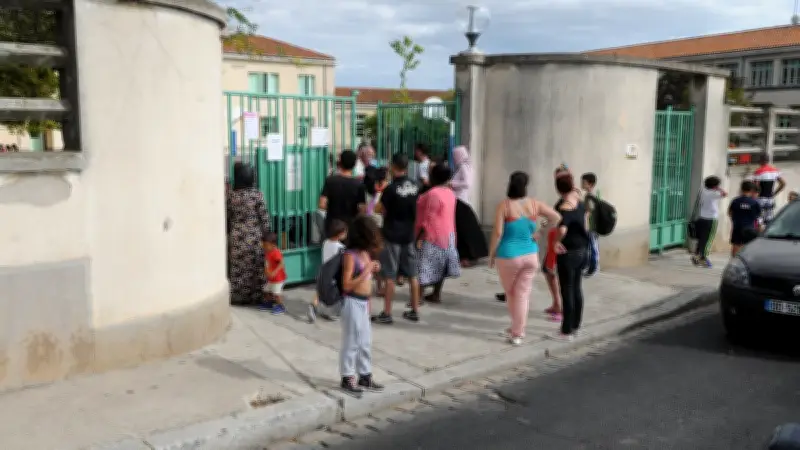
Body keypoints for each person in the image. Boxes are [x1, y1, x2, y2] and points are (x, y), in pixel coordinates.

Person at [489, 172, 561, 346]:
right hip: (530, 255)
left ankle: (517, 331)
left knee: (511, 294)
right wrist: (541, 231)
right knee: (522, 294)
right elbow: (556, 217)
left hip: (508, 255)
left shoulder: (504, 206)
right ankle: (517, 330)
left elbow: (498, 233)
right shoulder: (534, 204)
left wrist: (491, 254)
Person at [371, 154, 421, 324]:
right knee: (413, 274)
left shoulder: (390, 189)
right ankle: (414, 310)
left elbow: (378, 209)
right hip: (409, 234)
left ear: (393, 166)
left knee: (390, 275)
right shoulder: (416, 186)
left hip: (392, 234)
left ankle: (387, 312)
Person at [339, 215, 384, 397]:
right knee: (352, 341)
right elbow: (346, 285)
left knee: (365, 341)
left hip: (364, 302)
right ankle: (347, 376)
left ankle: (365, 375)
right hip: (352, 301)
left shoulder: (365, 254)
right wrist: (366, 270)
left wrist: (374, 268)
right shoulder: (350, 256)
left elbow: (367, 277)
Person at [414, 163, 460, 313]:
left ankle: (419, 297)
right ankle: (436, 294)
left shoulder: (433, 194)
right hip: (448, 234)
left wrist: (419, 235)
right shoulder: (450, 193)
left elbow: (428, 218)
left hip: (433, 235)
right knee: (442, 265)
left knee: (424, 265)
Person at [551, 174, 590, 341]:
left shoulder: (565, 207)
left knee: (567, 290)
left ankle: (566, 330)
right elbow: (586, 221)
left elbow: (562, 229)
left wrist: (556, 242)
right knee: (577, 288)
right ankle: (576, 325)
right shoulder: (579, 202)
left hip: (568, 253)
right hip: (582, 249)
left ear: (558, 189)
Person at [227, 163, 271, 305]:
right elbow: (264, 217)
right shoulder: (257, 195)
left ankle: (238, 297)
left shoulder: (232, 196)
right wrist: (268, 235)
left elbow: (227, 217)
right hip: (254, 238)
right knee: (255, 267)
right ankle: (256, 295)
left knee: (238, 268)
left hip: (237, 237)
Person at [451, 146, 488, 267]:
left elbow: (466, 183)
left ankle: (466, 256)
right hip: (463, 201)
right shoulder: (468, 166)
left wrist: (451, 184)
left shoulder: (463, 167)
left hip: (459, 201)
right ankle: (469, 255)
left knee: (462, 231)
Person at [308, 219, 348, 323]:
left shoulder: (325, 242)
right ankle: (335, 312)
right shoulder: (341, 248)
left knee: (319, 292)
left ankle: (313, 306)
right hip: (333, 276)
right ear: (340, 233)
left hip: (322, 272)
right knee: (340, 293)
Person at [319, 150, 366, 234]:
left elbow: (322, 204)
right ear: (355, 164)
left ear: (340, 163)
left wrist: (332, 209)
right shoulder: (359, 184)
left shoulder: (330, 180)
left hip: (332, 223)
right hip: (350, 225)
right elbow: (362, 208)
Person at [691, 175, 727, 268]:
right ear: (715, 186)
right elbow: (725, 194)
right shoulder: (714, 194)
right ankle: (703, 257)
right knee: (708, 239)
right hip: (711, 219)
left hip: (701, 217)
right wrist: (718, 188)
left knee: (701, 238)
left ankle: (697, 255)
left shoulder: (702, 191)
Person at [750, 153, 786, 225]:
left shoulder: (758, 171)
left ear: (761, 161)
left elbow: (756, 187)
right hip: (770, 199)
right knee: (769, 221)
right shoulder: (775, 170)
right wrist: (774, 193)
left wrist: (752, 198)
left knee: (759, 220)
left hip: (760, 199)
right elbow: (783, 184)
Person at [728, 180, 762, 257]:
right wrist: (760, 229)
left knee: (736, 245)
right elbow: (759, 218)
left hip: (737, 227)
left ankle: (734, 260)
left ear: (741, 189)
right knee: (748, 246)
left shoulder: (735, 201)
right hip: (749, 228)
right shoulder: (754, 203)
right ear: (752, 190)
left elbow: (729, 213)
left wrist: (735, 220)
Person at [580, 172, 601, 276]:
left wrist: (585, 223)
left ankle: (595, 267)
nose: (581, 184)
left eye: (583, 182)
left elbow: (589, 212)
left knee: (593, 246)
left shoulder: (590, 196)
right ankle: (589, 266)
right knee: (590, 246)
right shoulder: (592, 194)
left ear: (590, 184)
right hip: (592, 225)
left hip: (592, 226)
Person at [263, 232, 287, 315]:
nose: (264, 247)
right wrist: (266, 271)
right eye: (264, 245)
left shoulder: (276, 252)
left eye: (266, 245)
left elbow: (281, 263)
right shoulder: (267, 252)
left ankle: (281, 306)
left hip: (278, 279)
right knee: (266, 290)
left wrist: (274, 272)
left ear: (273, 245)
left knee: (276, 293)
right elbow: (267, 263)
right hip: (271, 278)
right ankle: (269, 303)